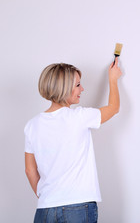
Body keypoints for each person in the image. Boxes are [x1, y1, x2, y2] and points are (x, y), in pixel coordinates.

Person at [24, 58, 122, 222]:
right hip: (77, 206)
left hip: (45, 208)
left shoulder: (32, 125)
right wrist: (113, 79)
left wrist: (48, 197)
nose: (82, 89)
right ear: (63, 88)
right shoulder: (79, 117)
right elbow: (113, 108)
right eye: (77, 85)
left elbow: (29, 170)